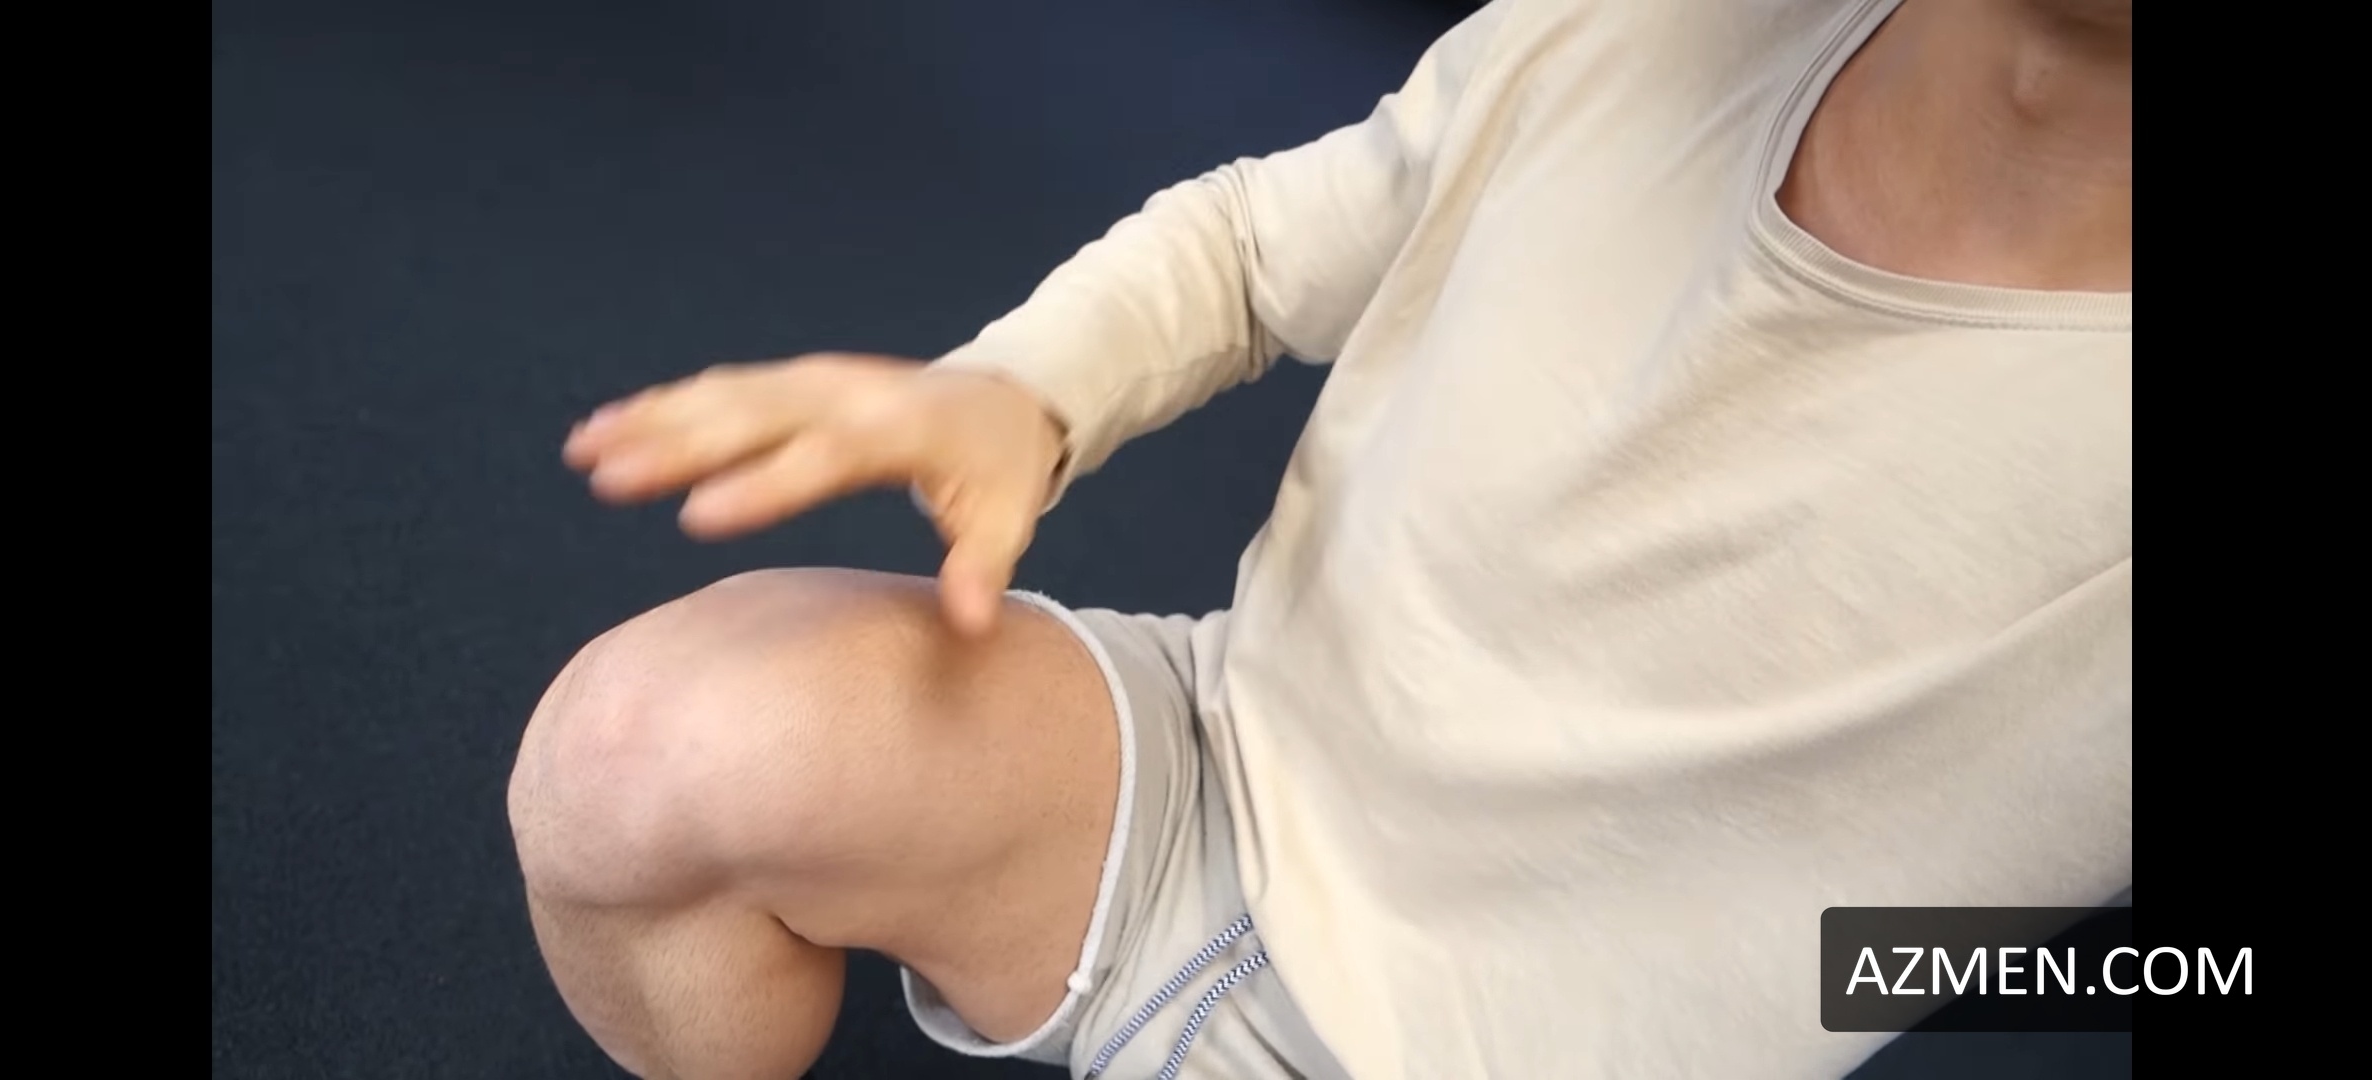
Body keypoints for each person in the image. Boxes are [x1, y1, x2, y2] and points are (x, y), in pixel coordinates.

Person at [505, 0, 2132, 1076]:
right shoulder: (1655, 24)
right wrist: (1023, 388)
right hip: (1218, 775)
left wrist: (1816, 975)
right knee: (627, 764)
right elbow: (1258, 245)